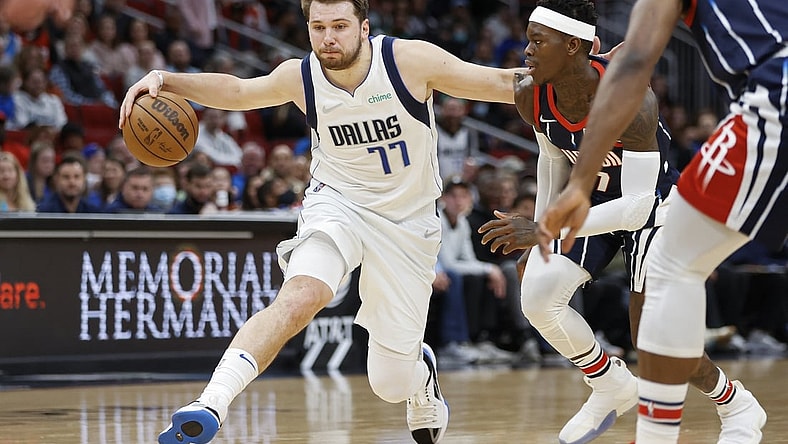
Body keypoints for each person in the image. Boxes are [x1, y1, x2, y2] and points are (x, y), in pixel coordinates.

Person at [119, 1, 520, 443]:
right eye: (319, 27)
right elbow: (237, 92)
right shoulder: (302, 75)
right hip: (337, 204)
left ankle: (419, 374)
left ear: (364, 28)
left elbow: (501, 83)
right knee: (299, 296)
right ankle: (210, 403)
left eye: (340, 26)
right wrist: (164, 78)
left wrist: (591, 78)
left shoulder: (408, 61)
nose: (328, 37)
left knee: (388, 384)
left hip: (408, 222)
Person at [478, 1, 766, 443]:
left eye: (538, 41)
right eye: (528, 39)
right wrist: (540, 239)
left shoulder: (632, 97)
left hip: (658, 207)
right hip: (589, 200)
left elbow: (638, 204)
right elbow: (554, 159)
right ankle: (609, 384)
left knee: (651, 335)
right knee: (537, 296)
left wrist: (543, 231)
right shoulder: (528, 93)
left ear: (573, 45)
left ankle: (738, 405)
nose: (526, 51)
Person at [37, 155, 102, 213]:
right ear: (57, 179)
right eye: (66, 177)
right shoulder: (43, 211)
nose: (72, 182)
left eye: (77, 176)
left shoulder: (93, 212)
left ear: (84, 179)